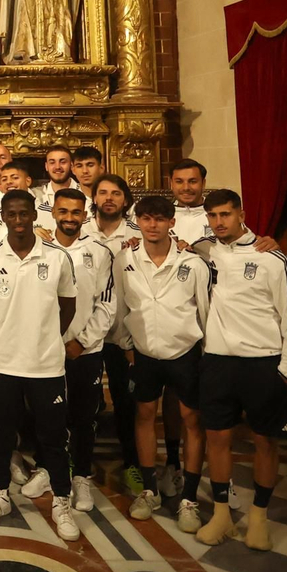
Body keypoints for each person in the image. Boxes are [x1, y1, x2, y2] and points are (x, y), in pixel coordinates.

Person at [190, 189, 287, 552]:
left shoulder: (273, 258)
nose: (219, 222)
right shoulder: (204, 250)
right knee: (217, 439)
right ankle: (222, 515)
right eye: (212, 215)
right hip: (218, 360)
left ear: (241, 213)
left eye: (225, 214)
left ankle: (259, 517)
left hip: (263, 361)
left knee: (264, 441)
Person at [0, 189, 80, 540]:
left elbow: (67, 307)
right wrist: (8, 337)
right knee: (1, 434)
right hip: (3, 363)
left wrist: (45, 337)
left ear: (35, 215)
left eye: (24, 214)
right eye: (12, 214)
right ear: (3, 216)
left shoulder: (57, 258)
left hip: (46, 365)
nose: (18, 221)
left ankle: (61, 500)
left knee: (52, 438)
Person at [115, 195, 211, 533]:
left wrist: (205, 352)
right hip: (144, 352)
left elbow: (205, 311)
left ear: (172, 222)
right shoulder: (125, 258)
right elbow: (121, 307)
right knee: (143, 415)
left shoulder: (194, 263)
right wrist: (127, 346)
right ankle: (149, 489)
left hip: (185, 352)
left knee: (191, 419)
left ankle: (188, 498)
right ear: (137, 221)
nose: (152, 225)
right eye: (145, 219)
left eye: (159, 219)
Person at [31, 188, 116, 513]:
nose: (69, 218)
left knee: (83, 418)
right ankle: (48, 469)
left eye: (75, 212)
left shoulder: (99, 251)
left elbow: (107, 303)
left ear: (85, 215)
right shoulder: (40, 248)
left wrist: (82, 341)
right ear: (53, 212)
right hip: (46, 349)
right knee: (47, 415)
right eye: (63, 212)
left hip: (85, 350)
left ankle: (81, 476)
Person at [80, 174, 145, 494]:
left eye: (115, 193)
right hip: (86, 334)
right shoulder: (79, 230)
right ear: (93, 198)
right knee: (82, 404)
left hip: (122, 334)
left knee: (126, 402)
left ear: (125, 199)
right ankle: (79, 464)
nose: (108, 198)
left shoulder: (137, 234)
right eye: (102, 192)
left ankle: (133, 463)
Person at [32, 146, 91, 232]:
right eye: (52, 162)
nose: (57, 167)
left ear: (71, 165)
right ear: (46, 166)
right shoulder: (35, 195)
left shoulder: (86, 195)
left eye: (62, 162)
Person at [169, 158, 214, 244]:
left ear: (203, 183)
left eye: (193, 181)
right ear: (171, 184)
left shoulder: (219, 214)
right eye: (179, 182)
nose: (186, 188)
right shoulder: (161, 217)